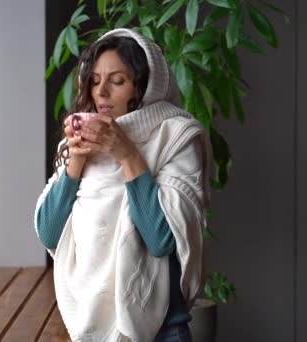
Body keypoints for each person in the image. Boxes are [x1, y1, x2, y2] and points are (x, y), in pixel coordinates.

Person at [34, 28, 211, 342]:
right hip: (87, 330)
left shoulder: (175, 138)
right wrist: (75, 161)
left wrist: (127, 154)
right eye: (95, 81)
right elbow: (49, 233)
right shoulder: (79, 141)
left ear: (144, 86)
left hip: (163, 332)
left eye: (117, 81)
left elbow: (161, 240)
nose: (101, 92)